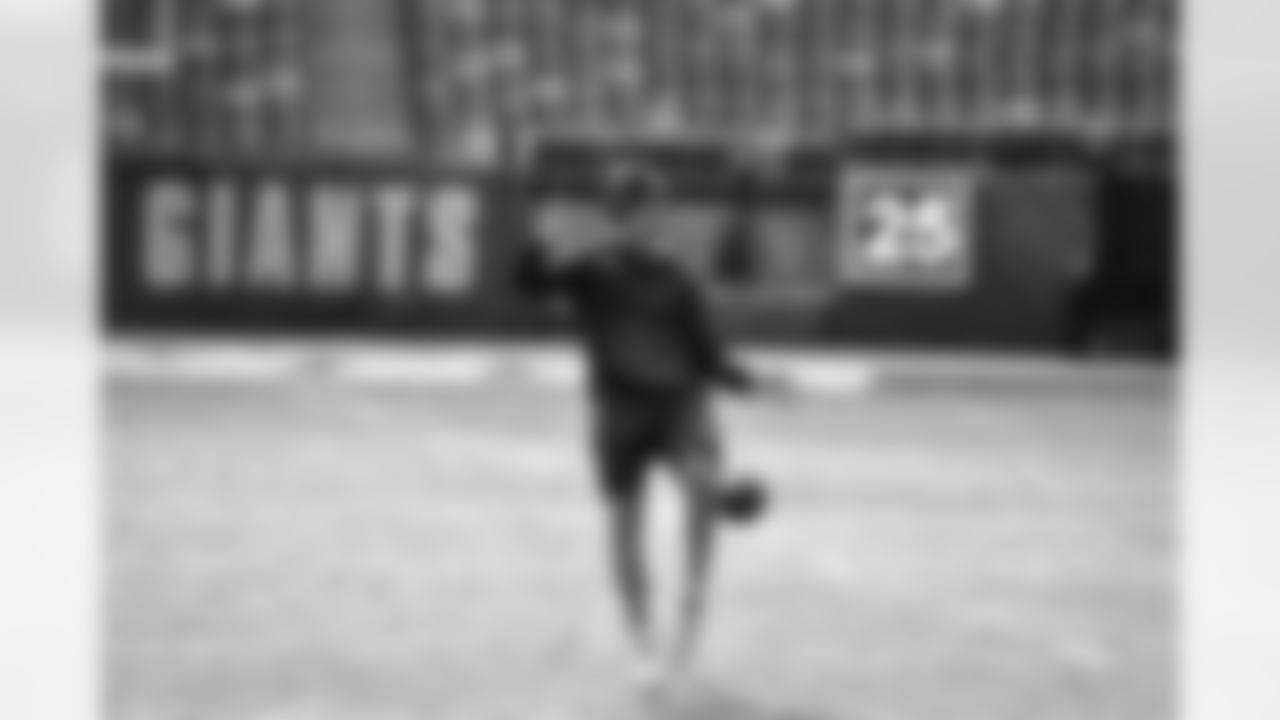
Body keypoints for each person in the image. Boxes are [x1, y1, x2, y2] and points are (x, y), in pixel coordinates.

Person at [515, 167, 785, 689]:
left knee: (702, 486)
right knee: (625, 524)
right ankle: (643, 646)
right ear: (620, 217)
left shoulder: (679, 278)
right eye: (640, 211)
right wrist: (538, 238)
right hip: (620, 412)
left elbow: (708, 358)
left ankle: (688, 624)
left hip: (681, 407)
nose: (653, 220)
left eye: (657, 210)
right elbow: (529, 285)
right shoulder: (592, 270)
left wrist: (757, 383)